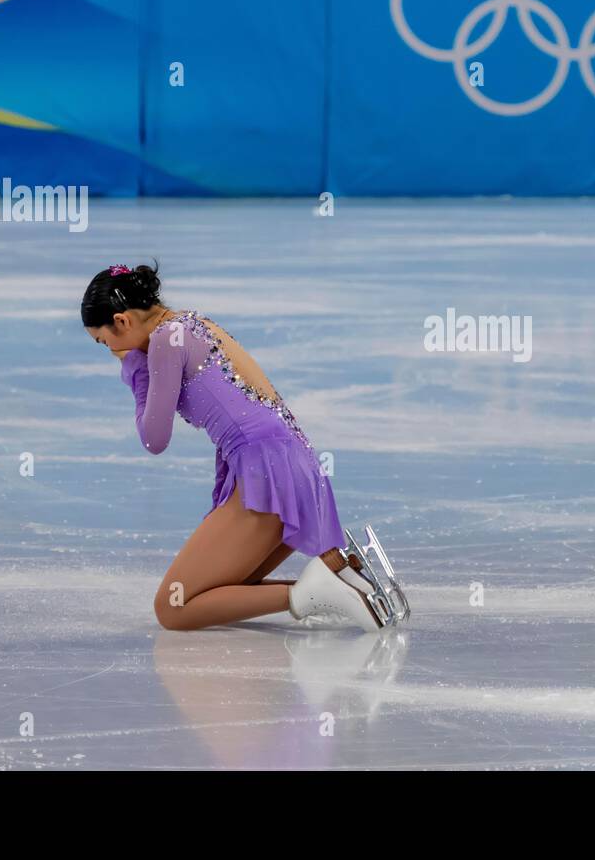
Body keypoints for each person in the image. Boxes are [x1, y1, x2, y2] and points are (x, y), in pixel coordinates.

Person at [81, 261, 395, 632]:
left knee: (173, 606)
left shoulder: (166, 341)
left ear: (122, 321)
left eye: (105, 343)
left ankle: (322, 591)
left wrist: (135, 368)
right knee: (220, 591)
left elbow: (154, 439)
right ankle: (339, 580)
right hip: (292, 464)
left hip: (266, 473)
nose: (112, 351)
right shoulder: (191, 322)